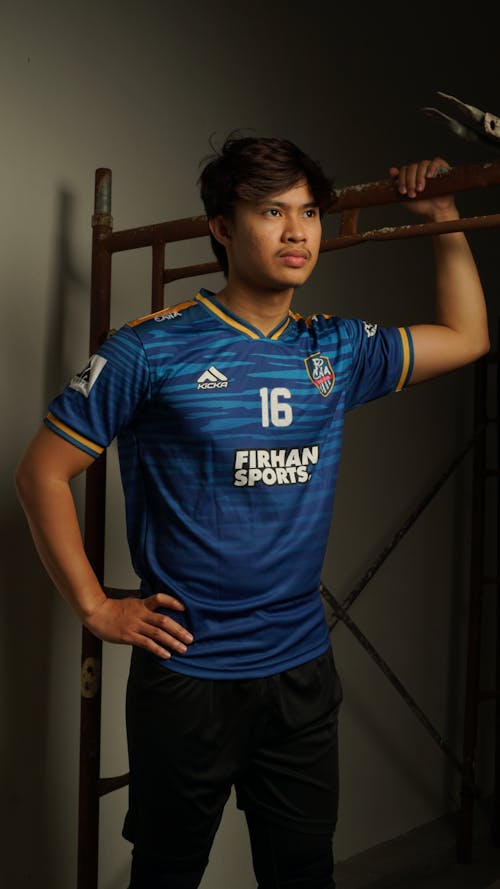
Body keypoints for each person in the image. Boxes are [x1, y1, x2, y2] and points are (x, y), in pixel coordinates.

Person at [15, 136, 489, 889]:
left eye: (308, 212)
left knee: (301, 874)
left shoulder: (331, 347)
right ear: (221, 226)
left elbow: (468, 338)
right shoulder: (150, 348)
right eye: (272, 211)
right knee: (167, 873)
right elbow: (41, 472)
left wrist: (444, 217)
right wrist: (96, 606)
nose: (299, 231)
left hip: (299, 667)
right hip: (188, 675)